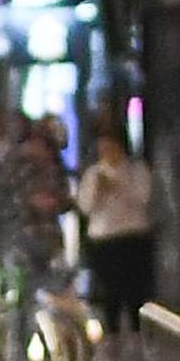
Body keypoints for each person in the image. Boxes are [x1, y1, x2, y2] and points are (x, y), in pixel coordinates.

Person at [77, 125, 157, 340]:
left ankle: (138, 330)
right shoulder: (94, 173)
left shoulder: (136, 170)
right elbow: (85, 206)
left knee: (135, 287)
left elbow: (144, 197)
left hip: (132, 235)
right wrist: (98, 190)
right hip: (104, 238)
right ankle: (111, 331)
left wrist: (118, 185)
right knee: (109, 289)